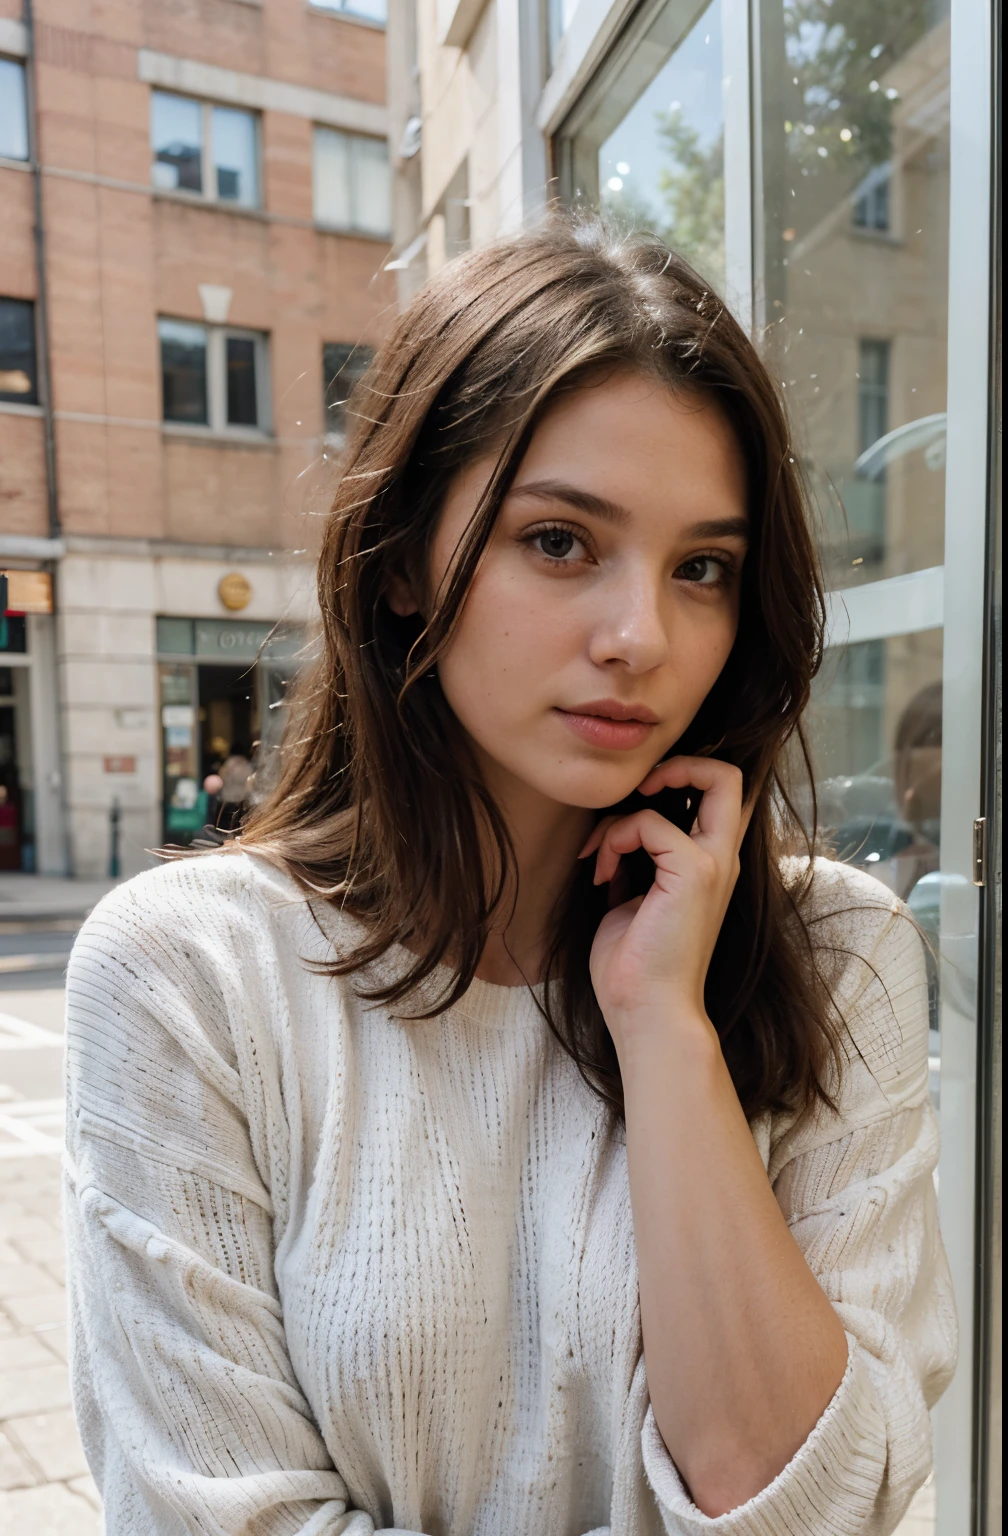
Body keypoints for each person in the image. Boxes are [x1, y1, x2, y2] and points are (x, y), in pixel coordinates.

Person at [64, 217, 956, 1536]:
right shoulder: (193, 975)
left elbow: (832, 1502)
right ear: (412, 556)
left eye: (702, 568)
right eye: (560, 541)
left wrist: (666, 1029)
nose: (641, 636)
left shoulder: (833, 954)